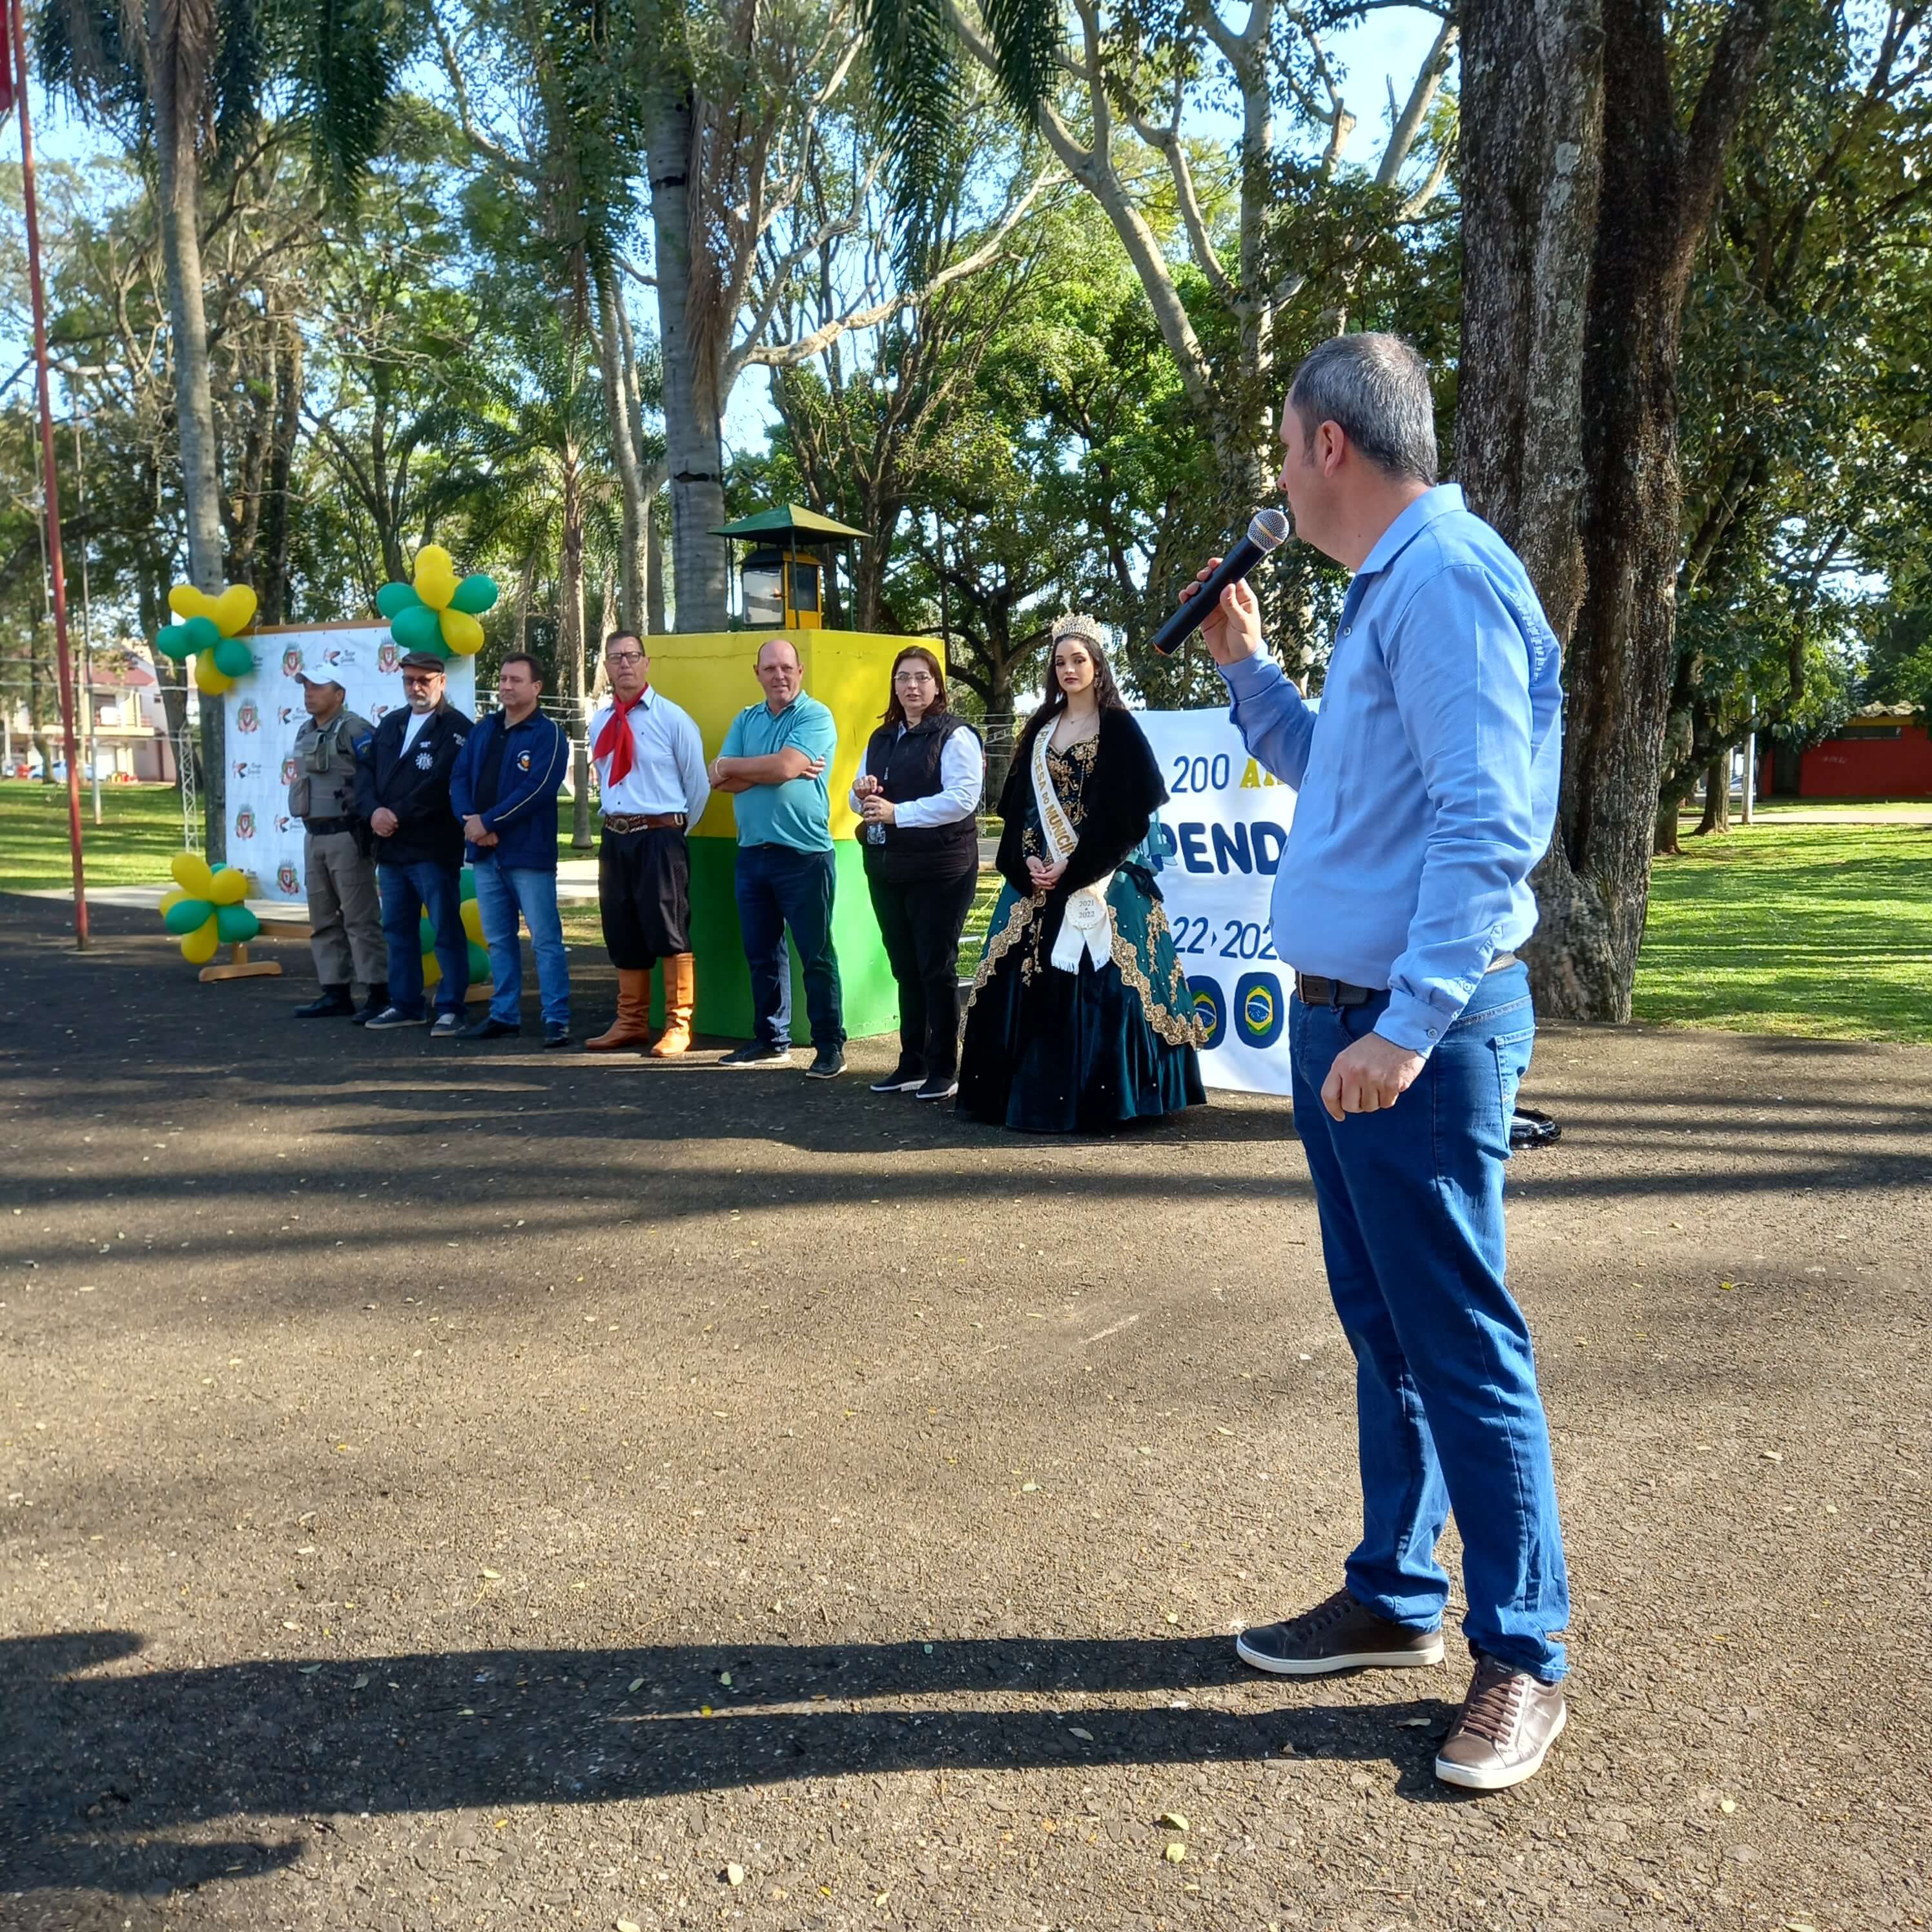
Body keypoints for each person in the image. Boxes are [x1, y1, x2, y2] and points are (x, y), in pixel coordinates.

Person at [1194, 332, 1570, 1792]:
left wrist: (1408, 1024)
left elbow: (1489, 824)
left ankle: (1523, 1654)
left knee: (1458, 1334)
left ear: (1327, 447)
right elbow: (1341, 781)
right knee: (1384, 1324)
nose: (1279, 475)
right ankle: (1394, 1595)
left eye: (1284, 449)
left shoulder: (1451, 577)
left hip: (1409, 1027)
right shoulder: (1383, 593)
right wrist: (1245, 672)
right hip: (1342, 1015)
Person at [956, 613, 1204, 1132]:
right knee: (1016, 976)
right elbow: (1023, 806)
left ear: (1097, 665)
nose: (1069, 670)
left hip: (1102, 874)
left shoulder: (1120, 728)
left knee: (1110, 984)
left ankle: (1108, 1101)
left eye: (1079, 660)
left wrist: (1078, 864)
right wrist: (1028, 859)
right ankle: (1019, 1095)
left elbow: (1129, 814)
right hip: (1040, 875)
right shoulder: (1040, 728)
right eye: (1060, 662)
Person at [852, 646, 983, 1102]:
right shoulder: (881, 738)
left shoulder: (955, 736)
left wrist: (897, 814)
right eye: (904, 677)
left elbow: (963, 799)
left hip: (942, 868)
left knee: (936, 967)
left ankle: (945, 1068)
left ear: (937, 685)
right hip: (889, 867)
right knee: (905, 967)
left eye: (922, 677)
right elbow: (859, 801)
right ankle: (912, 1062)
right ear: (894, 685)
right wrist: (862, 793)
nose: (912, 686)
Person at [708, 637, 844, 1077]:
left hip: (804, 856)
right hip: (752, 854)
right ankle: (770, 1041)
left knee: (816, 954)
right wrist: (766, 767)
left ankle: (829, 1045)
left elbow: (782, 769)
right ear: (758, 674)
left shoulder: (815, 715)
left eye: (787, 668)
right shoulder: (746, 719)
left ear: (800, 671)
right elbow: (719, 778)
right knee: (762, 953)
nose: (779, 676)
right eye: (770, 669)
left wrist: (744, 766)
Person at [582, 631, 710, 1055]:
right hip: (616, 838)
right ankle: (631, 1021)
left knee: (669, 928)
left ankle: (678, 1023)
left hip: (659, 838)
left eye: (633, 656)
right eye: (616, 657)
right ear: (606, 665)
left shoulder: (673, 719)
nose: (624, 664)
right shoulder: (601, 721)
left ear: (646, 663)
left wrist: (672, 831)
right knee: (621, 930)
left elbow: (698, 786)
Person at [447, 653, 572, 1047]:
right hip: (486, 855)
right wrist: (471, 821)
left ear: (536, 688)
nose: (505, 686)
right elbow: (459, 776)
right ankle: (504, 1015)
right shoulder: (484, 729)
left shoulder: (548, 734)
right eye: (502, 679)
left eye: (515, 680)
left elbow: (537, 789)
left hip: (528, 856)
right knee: (499, 939)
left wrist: (490, 822)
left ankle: (557, 1018)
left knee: (545, 939)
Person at [355, 650, 475, 1036]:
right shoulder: (391, 724)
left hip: (432, 848)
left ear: (442, 681)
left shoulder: (457, 728)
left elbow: (441, 785)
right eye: (409, 680)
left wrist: (396, 815)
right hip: (390, 850)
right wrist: (374, 811)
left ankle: (452, 1006)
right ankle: (406, 1003)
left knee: (445, 929)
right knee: (397, 930)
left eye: (424, 680)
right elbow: (365, 774)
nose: (416, 687)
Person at [285, 670, 387, 1022]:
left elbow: (378, 777)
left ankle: (378, 991)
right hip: (313, 834)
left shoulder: (355, 730)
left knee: (360, 919)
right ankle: (335, 992)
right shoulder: (306, 730)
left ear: (339, 694)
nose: (309, 693)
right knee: (323, 919)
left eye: (317, 687)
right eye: (306, 687)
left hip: (347, 835)